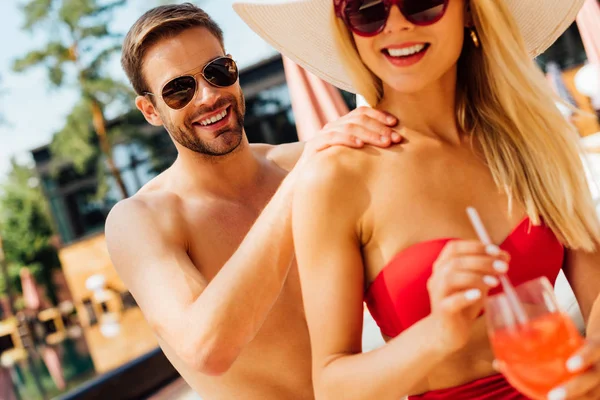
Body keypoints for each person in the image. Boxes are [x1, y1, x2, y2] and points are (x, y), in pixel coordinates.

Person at [234, 0, 600, 399]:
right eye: (367, 10)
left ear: (470, 11)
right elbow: (332, 387)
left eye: (421, 3)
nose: (395, 24)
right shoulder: (337, 178)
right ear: (348, 30)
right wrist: (437, 333)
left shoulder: (531, 136)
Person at [105, 3, 403, 399]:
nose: (209, 96)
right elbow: (206, 348)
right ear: (150, 110)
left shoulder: (304, 161)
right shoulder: (142, 219)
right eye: (179, 89)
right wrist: (301, 183)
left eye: (217, 72)